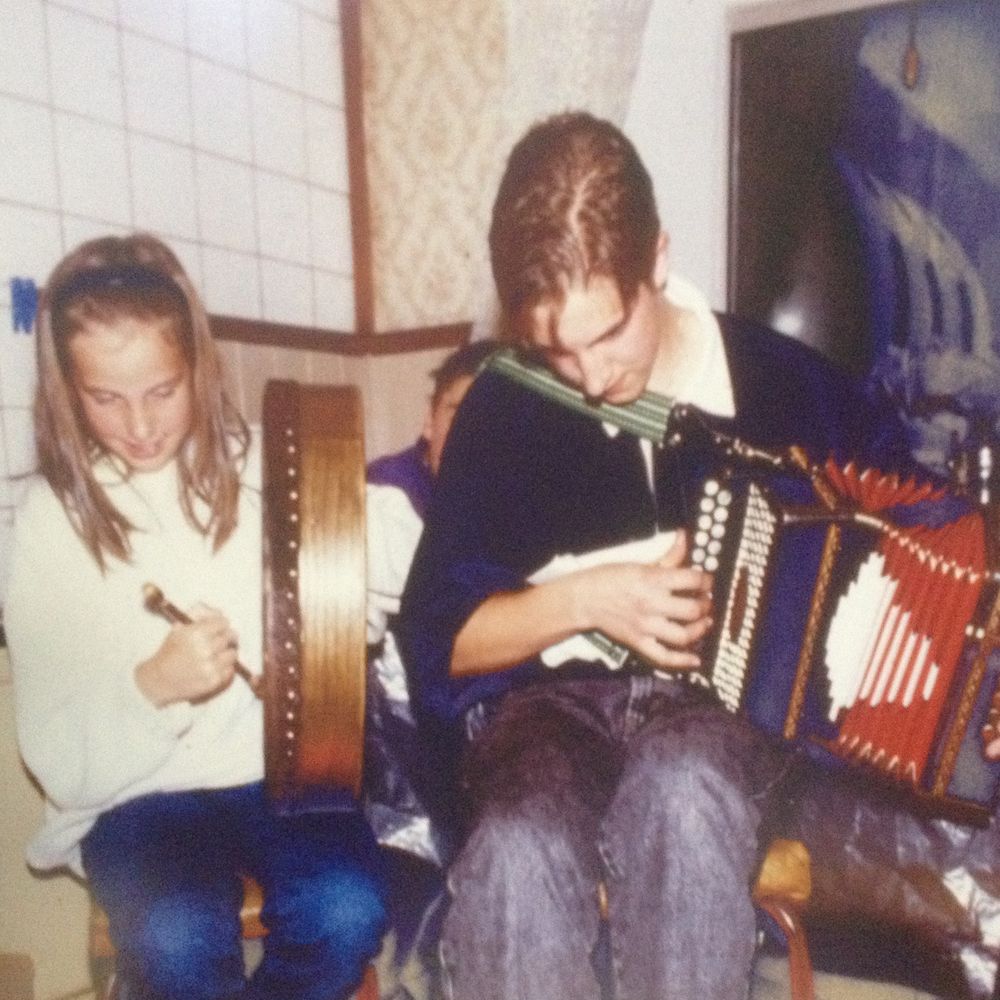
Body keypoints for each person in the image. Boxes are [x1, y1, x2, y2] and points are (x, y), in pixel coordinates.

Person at [397, 111, 915, 1000]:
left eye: (607, 335)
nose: (591, 378)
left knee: (685, 791)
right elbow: (436, 642)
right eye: (557, 349)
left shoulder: (786, 385)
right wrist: (587, 599)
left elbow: (917, 533)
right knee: (517, 852)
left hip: (722, 720)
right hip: (544, 714)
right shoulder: (504, 406)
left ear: (659, 262)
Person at [5, 233, 387, 1000]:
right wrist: (153, 686)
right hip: (133, 795)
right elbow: (54, 756)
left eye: (162, 391)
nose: (140, 426)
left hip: (276, 777)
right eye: (105, 398)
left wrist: (330, 641)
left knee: (348, 910)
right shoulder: (48, 520)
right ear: (66, 390)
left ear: (199, 371)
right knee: (177, 935)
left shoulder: (265, 465)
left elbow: (366, 604)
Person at [363, 340, 500, 1000]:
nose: (478, 436)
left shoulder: (529, 515)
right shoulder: (386, 501)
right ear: (429, 419)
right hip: (403, 781)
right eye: (459, 412)